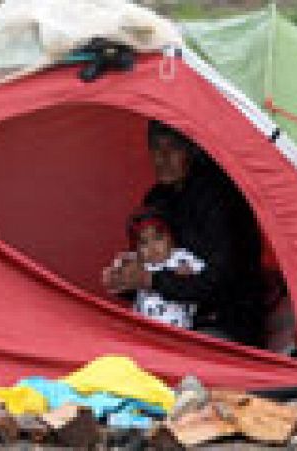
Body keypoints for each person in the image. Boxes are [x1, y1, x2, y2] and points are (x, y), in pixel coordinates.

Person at [103, 120, 265, 346]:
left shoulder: (221, 199)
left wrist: (150, 280)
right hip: (169, 321)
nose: (163, 158)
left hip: (223, 320)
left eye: (173, 148)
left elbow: (221, 283)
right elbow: (153, 269)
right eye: (156, 149)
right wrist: (126, 281)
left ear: (192, 150)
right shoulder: (156, 199)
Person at [122, 208, 205, 329]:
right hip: (142, 326)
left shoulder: (181, 257)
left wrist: (190, 274)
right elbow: (120, 276)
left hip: (177, 328)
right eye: (144, 242)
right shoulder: (140, 262)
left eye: (158, 238)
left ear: (171, 238)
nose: (152, 247)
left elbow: (205, 281)